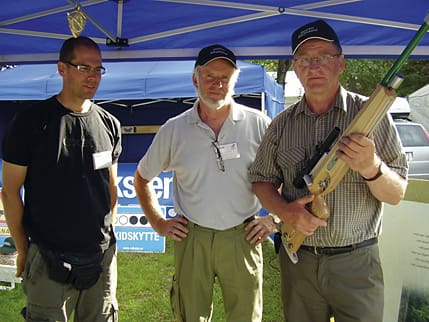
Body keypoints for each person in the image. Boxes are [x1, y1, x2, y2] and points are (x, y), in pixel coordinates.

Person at [249, 20, 408, 322]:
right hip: (300, 264)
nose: (314, 66)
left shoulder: (373, 118)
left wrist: (371, 167)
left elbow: (397, 193)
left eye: (323, 57)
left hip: (357, 264)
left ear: (341, 63)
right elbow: (261, 181)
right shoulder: (281, 125)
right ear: (295, 68)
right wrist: (287, 212)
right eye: (305, 59)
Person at [134, 44, 274, 321]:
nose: (217, 84)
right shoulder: (174, 129)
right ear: (195, 79)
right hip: (192, 238)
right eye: (210, 76)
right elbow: (142, 178)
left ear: (235, 81)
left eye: (225, 77)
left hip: (242, 236)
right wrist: (159, 223)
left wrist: (273, 218)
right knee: (190, 315)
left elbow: (282, 177)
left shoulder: (259, 124)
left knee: (246, 315)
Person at [1, 36, 121, 322]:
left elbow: (111, 188)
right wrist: (23, 249)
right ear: (62, 68)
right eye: (83, 67)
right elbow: (10, 191)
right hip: (48, 255)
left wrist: (109, 242)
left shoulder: (109, 123)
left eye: (97, 69)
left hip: (100, 255)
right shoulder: (31, 122)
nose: (92, 76)